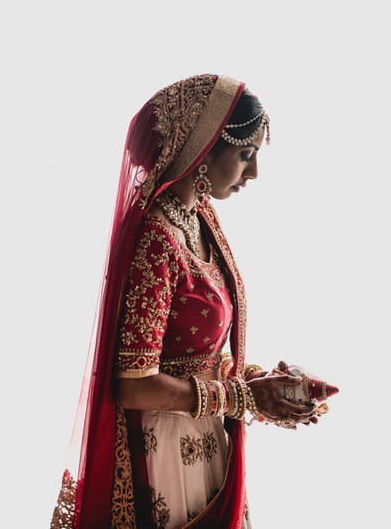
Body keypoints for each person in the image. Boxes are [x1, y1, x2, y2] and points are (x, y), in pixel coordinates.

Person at [49, 74, 332, 528]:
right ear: (202, 151)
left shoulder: (199, 218)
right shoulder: (157, 239)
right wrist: (241, 397)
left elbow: (192, 353)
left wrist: (266, 388)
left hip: (204, 439)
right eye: (245, 155)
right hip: (166, 457)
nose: (253, 173)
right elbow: (134, 384)